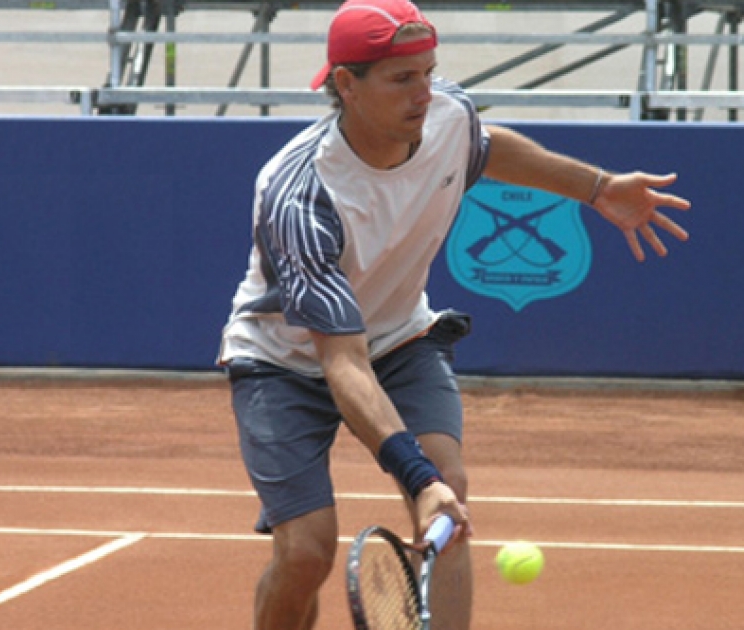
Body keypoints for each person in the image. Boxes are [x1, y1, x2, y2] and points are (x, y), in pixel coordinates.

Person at [218, 1, 691, 628]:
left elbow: (486, 147)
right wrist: (415, 477)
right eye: (402, 78)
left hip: (401, 337)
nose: (425, 93)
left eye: (428, 72)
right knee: (306, 553)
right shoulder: (301, 195)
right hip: (285, 359)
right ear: (345, 85)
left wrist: (597, 188)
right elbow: (342, 361)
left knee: (450, 496)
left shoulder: (447, 111)